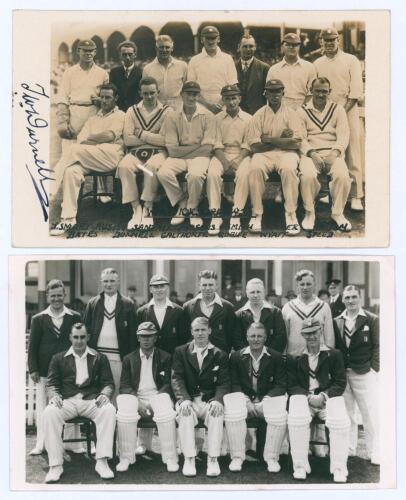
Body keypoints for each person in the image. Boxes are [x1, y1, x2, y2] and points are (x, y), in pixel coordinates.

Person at [42, 323, 116, 482]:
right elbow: (51, 383)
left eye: (82, 337)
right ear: (70, 337)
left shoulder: (99, 357)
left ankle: (102, 461)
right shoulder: (58, 358)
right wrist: (54, 395)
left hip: (91, 401)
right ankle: (55, 465)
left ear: (88, 337)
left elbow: (108, 382)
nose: (79, 341)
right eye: (76, 337)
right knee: (49, 412)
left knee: (108, 410)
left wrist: (105, 393)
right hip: (67, 401)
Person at [50, 83, 125, 235]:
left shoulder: (121, 115)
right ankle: (68, 219)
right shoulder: (93, 119)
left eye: (108, 97)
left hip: (110, 157)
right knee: (71, 171)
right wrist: (95, 141)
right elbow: (81, 140)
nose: (104, 101)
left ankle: (50, 187)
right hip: (90, 156)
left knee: (73, 150)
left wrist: (92, 140)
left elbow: (110, 135)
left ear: (115, 98)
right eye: (102, 97)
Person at [287, 318, 350, 482]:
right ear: (302, 335)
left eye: (314, 332)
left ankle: (339, 468)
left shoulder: (334, 354)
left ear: (320, 331)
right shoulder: (295, 357)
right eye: (307, 334)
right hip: (305, 400)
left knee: (339, 421)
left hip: (326, 400)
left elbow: (340, 383)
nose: (311, 337)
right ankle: (300, 465)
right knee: (297, 414)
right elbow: (292, 385)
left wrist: (323, 396)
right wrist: (308, 397)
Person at [27, 279, 81, 455]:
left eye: (59, 295)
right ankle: (41, 443)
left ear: (64, 295)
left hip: (70, 369)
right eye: (53, 296)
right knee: (44, 407)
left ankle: (73, 444)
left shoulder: (74, 316)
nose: (56, 299)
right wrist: (33, 368)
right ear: (48, 296)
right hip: (45, 370)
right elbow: (33, 346)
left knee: (72, 404)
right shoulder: (38, 319)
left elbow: (79, 342)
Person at [224, 322, 287, 473]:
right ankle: (237, 457)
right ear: (247, 337)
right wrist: (246, 402)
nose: (256, 339)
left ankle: (272, 458)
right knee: (233, 412)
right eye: (252, 336)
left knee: (280, 414)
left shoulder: (276, 356)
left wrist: (265, 402)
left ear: (265, 338)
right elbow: (234, 383)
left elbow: (280, 384)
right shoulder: (236, 357)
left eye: (259, 336)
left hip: (266, 401)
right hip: (244, 400)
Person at [116, 322, 178, 473]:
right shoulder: (128, 359)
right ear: (138, 338)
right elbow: (124, 386)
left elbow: (168, 385)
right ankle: (126, 457)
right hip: (136, 396)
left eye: (150, 336)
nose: (146, 339)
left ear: (155, 338)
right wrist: (137, 402)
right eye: (143, 336)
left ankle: (170, 457)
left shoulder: (165, 357)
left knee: (165, 407)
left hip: (157, 396)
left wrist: (152, 402)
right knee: (124, 407)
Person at [171, 317, 230, 477]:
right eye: (196, 330)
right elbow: (177, 378)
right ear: (191, 332)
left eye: (203, 329)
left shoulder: (220, 354)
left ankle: (213, 458)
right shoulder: (180, 351)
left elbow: (224, 382)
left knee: (217, 414)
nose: (200, 333)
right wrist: (183, 399)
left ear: (209, 331)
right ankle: (189, 458)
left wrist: (218, 400)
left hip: (209, 400)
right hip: (189, 398)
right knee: (184, 414)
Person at [314, 28, 364, 211]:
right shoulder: (318, 63)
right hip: (326, 113)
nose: (329, 44)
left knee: (352, 151)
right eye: (325, 40)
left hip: (347, 110)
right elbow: (316, 89)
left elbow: (356, 92)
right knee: (328, 150)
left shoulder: (351, 60)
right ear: (321, 42)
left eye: (332, 40)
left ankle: (356, 195)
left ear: (338, 41)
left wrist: (341, 111)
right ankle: (329, 192)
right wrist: (327, 113)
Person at [246, 79, 302, 235]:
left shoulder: (292, 113)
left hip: (287, 153)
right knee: (255, 168)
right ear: (266, 93)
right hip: (264, 154)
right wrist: (283, 140)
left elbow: (296, 144)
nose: (275, 94)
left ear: (283, 93)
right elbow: (255, 147)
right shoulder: (259, 114)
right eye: (271, 91)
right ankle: (256, 213)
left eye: (278, 91)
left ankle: (291, 214)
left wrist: (270, 139)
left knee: (289, 169)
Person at [53, 39, 109, 195]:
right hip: (75, 113)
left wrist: (100, 101)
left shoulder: (102, 73)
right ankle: (67, 194)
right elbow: (63, 98)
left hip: (94, 114)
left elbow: (107, 97)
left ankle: (103, 193)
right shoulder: (69, 72)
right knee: (69, 154)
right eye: (84, 50)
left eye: (91, 51)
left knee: (97, 151)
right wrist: (63, 121)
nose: (88, 53)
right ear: (78, 52)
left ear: (95, 52)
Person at [157, 81, 215, 228]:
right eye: (188, 94)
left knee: (195, 175)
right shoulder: (172, 116)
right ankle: (182, 201)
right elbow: (172, 150)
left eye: (195, 95)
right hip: (180, 156)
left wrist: (185, 151)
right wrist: (197, 147)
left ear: (199, 96)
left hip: (200, 157)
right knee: (163, 173)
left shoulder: (207, 115)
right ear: (182, 95)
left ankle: (193, 208)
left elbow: (208, 149)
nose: (191, 98)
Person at [297, 77, 352, 232]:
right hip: (310, 154)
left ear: (330, 92)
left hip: (333, 153)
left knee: (342, 175)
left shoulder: (338, 109)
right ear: (311, 91)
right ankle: (309, 212)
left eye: (324, 91)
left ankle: (338, 213)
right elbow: (300, 138)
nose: (321, 95)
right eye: (317, 91)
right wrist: (312, 154)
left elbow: (344, 135)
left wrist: (334, 153)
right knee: (307, 175)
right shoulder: (302, 111)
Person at [334, 285, 379, 465]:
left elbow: (378, 345)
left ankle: (374, 451)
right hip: (343, 372)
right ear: (343, 300)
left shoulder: (371, 319)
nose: (350, 301)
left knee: (369, 413)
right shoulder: (337, 320)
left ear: (359, 298)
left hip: (364, 371)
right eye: (347, 298)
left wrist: (374, 368)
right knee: (347, 413)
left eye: (354, 297)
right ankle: (349, 448)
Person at [116, 77, 170, 230]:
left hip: (158, 153)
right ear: (140, 93)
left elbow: (165, 141)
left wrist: (141, 134)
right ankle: (136, 208)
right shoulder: (132, 111)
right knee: (124, 166)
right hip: (135, 152)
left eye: (152, 93)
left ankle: (148, 206)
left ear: (158, 92)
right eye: (145, 93)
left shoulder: (167, 111)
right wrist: (154, 138)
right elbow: (127, 140)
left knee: (152, 167)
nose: (149, 97)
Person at [83, 267, 137, 401]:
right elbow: (86, 330)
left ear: (118, 282)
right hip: (98, 355)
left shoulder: (127, 304)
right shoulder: (93, 303)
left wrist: (130, 357)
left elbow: (132, 335)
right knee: (99, 389)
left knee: (118, 389)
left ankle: (117, 420)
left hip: (119, 355)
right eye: (105, 281)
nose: (109, 284)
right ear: (101, 282)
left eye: (112, 281)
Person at [206, 84, 252, 235]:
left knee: (243, 174)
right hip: (221, 154)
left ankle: (236, 216)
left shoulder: (248, 119)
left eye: (234, 98)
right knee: (212, 173)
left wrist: (238, 160)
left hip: (242, 154)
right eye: (227, 99)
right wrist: (225, 162)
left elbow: (248, 144)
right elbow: (216, 143)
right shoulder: (216, 118)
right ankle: (215, 215)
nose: (231, 102)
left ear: (239, 99)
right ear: (223, 100)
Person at [183, 270, 243, 353]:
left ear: (216, 286)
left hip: (220, 358)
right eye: (204, 285)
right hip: (195, 359)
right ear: (199, 286)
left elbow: (231, 336)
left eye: (211, 285)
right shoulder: (188, 307)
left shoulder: (227, 307)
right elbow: (185, 335)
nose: (207, 288)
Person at [282, 269, 334, 357]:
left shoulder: (324, 306)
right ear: (297, 286)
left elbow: (329, 337)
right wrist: (284, 357)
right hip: (294, 358)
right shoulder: (288, 307)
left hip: (318, 359)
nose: (305, 287)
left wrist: (329, 356)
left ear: (314, 285)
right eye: (302, 284)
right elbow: (284, 337)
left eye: (308, 284)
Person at [187, 25, 238, 114]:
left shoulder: (228, 59)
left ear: (218, 39)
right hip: (201, 105)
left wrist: (219, 105)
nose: (210, 41)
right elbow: (192, 87)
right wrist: (207, 105)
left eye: (213, 38)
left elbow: (233, 85)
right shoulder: (194, 60)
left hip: (224, 104)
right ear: (202, 40)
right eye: (207, 38)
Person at [135, 274, 189, 354]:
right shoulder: (142, 312)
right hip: (149, 358)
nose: (159, 290)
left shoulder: (178, 311)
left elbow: (183, 339)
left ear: (167, 288)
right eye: (156, 287)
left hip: (172, 359)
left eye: (162, 286)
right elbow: (137, 340)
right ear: (150, 289)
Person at [236, 278, 287, 353]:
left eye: (258, 292)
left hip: (271, 359)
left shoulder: (275, 313)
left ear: (263, 293)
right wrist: (249, 355)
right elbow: (237, 340)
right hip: (246, 360)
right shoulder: (239, 314)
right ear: (247, 294)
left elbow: (280, 339)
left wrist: (267, 355)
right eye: (252, 292)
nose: (255, 295)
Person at [266, 33, 316, 109]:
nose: (291, 47)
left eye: (295, 45)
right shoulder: (274, 69)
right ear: (282, 47)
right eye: (288, 45)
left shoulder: (309, 67)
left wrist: (302, 110)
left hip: (303, 110)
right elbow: (269, 94)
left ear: (299, 47)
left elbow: (311, 93)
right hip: (281, 110)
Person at [142, 35, 188, 110]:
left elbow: (186, 89)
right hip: (156, 110)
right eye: (161, 47)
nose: (164, 50)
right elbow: (145, 92)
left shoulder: (182, 66)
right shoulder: (147, 69)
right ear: (156, 48)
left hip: (177, 108)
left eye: (167, 47)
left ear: (172, 48)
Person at [235, 35, 270, 115]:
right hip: (237, 114)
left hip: (257, 114)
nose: (248, 49)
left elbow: (267, 95)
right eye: (245, 46)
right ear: (239, 47)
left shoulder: (264, 68)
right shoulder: (232, 67)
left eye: (251, 46)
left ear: (255, 47)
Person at [109, 41, 142, 112]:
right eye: (124, 54)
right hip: (118, 111)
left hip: (136, 111)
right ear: (120, 56)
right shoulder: (114, 72)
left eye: (130, 54)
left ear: (135, 55)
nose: (127, 57)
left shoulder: (141, 72)